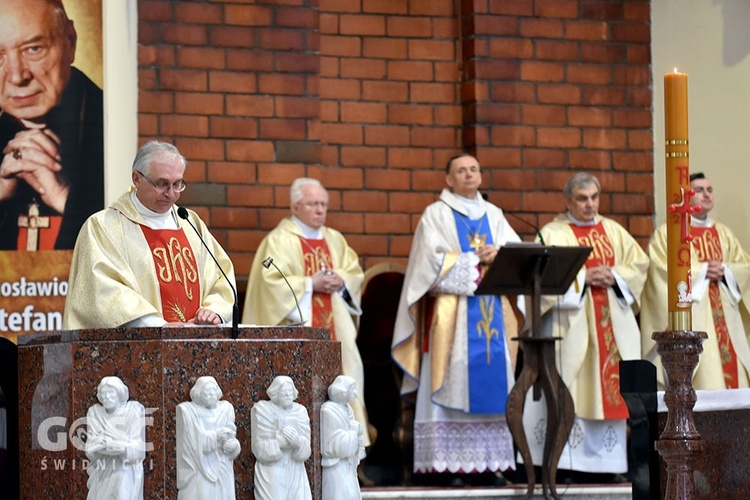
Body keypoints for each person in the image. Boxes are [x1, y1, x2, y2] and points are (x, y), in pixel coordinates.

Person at [391, 152, 524, 485]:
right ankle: (446, 466)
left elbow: (517, 252)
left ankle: (490, 464)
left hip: (492, 311)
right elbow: (427, 264)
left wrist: (500, 253)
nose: (468, 175)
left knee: (494, 386)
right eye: (461, 171)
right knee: (452, 381)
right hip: (451, 319)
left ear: (481, 176)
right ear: (448, 180)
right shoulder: (435, 214)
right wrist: (471, 261)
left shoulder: (494, 214)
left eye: (474, 169)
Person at [523, 172, 649, 478]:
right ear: (568, 201)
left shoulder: (613, 230)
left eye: (594, 197)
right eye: (582, 198)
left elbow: (640, 266)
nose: (590, 204)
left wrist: (616, 276)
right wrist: (583, 279)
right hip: (573, 327)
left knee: (611, 390)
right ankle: (566, 465)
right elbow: (539, 280)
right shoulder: (552, 233)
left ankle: (608, 466)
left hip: (611, 330)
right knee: (573, 390)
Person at [242, 178, 370, 444]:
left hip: (338, 329)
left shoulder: (335, 239)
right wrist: (310, 284)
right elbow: (269, 286)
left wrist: (342, 280)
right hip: (298, 328)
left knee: (347, 374)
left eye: (323, 204)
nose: (320, 210)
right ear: (295, 206)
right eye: (313, 204)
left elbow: (355, 272)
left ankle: (348, 446)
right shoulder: (278, 241)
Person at [62, 140, 235, 329]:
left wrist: (214, 310)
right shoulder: (104, 227)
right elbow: (101, 290)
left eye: (177, 184)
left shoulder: (190, 223)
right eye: (161, 184)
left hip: (194, 345)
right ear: (136, 179)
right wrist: (156, 326)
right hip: (136, 350)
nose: (171, 194)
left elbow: (221, 276)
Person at [0, 0, 104, 250]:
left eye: (33, 48)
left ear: (70, 41)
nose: (17, 76)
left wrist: (64, 199)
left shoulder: (116, 126)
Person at [641, 172, 750, 389]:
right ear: (686, 196)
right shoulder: (669, 233)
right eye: (699, 190)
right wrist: (703, 271)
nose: (706, 194)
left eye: (709, 190)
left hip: (726, 322)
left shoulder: (724, 233)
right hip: (697, 316)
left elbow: (744, 267)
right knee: (705, 379)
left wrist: (727, 271)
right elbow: (659, 271)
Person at [176, 376, 241, 499]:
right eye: (207, 390)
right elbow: (193, 441)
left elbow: (232, 436)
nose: (211, 393)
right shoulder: (189, 412)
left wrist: (234, 447)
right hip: (200, 469)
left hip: (223, 469)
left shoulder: (226, 409)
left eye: (213, 390)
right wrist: (216, 436)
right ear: (199, 393)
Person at [251, 376, 312, 500]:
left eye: (290, 392)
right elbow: (258, 448)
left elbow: (307, 448)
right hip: (272, 470)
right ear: (275, 393)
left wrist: (298, 443)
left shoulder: (300, 411)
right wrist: (278, 443)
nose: (288, 395)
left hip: (295, 469)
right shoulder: (263, 410)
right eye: (284, 392)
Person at [85, 376, 146, 500]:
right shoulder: (95, 413)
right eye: (103, 393)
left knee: (121, 490)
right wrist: (101, 446)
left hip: (125, 470)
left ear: (119, 393)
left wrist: (122, 448)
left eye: (110, 393)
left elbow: (139, 450)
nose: (106, 397)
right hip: (101, 470)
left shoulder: (133, 411)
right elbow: (90, 448)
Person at [321, 375, 366, 500]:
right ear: (343, 390)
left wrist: (357, 438)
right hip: (336, 465)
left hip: (347, 464)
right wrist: (353, 431)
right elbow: (332, 443)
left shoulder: (348, 409)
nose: (355, 393)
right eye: (352, 389)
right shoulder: (329, 410)